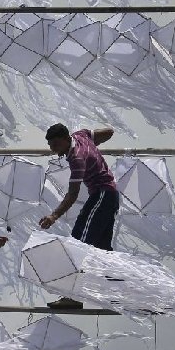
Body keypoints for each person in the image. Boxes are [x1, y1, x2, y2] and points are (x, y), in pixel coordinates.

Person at [39, 123, 120, 309]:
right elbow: (109, 131)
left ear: (67, 139)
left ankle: (73, 297)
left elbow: (72, 195)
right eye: (51, 146)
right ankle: (118, 293)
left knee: (77, 245)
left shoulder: (76, 158)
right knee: (103, 251)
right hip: (111, 196)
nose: (53, 150)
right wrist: (93, 145)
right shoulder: (82, 135)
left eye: (56, 145)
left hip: (101, 195)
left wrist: (53, 216)